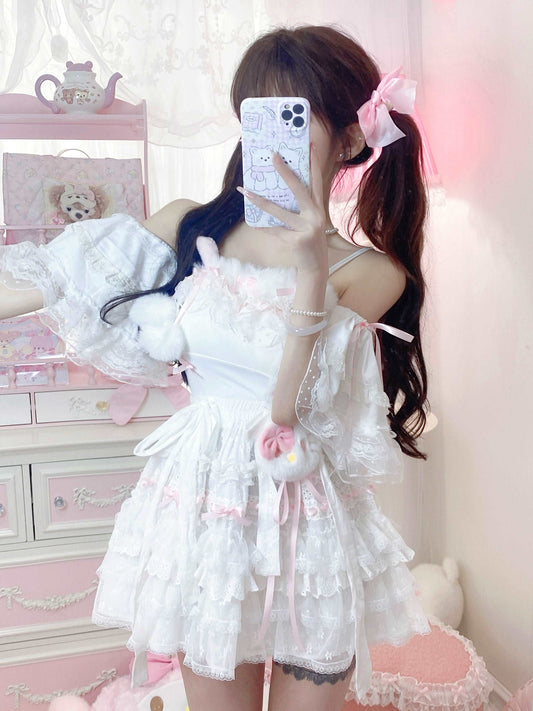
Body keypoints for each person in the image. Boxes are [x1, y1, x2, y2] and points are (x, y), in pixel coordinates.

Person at [0, 25, 432, 711]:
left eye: (292, 117)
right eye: (255, 114)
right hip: (203, 509)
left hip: (303, 518)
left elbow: (288, 414)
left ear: (351, 138)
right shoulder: (189, 225)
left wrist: (312, 272)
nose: (271, 137)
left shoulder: (370, 272)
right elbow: (50, 279)